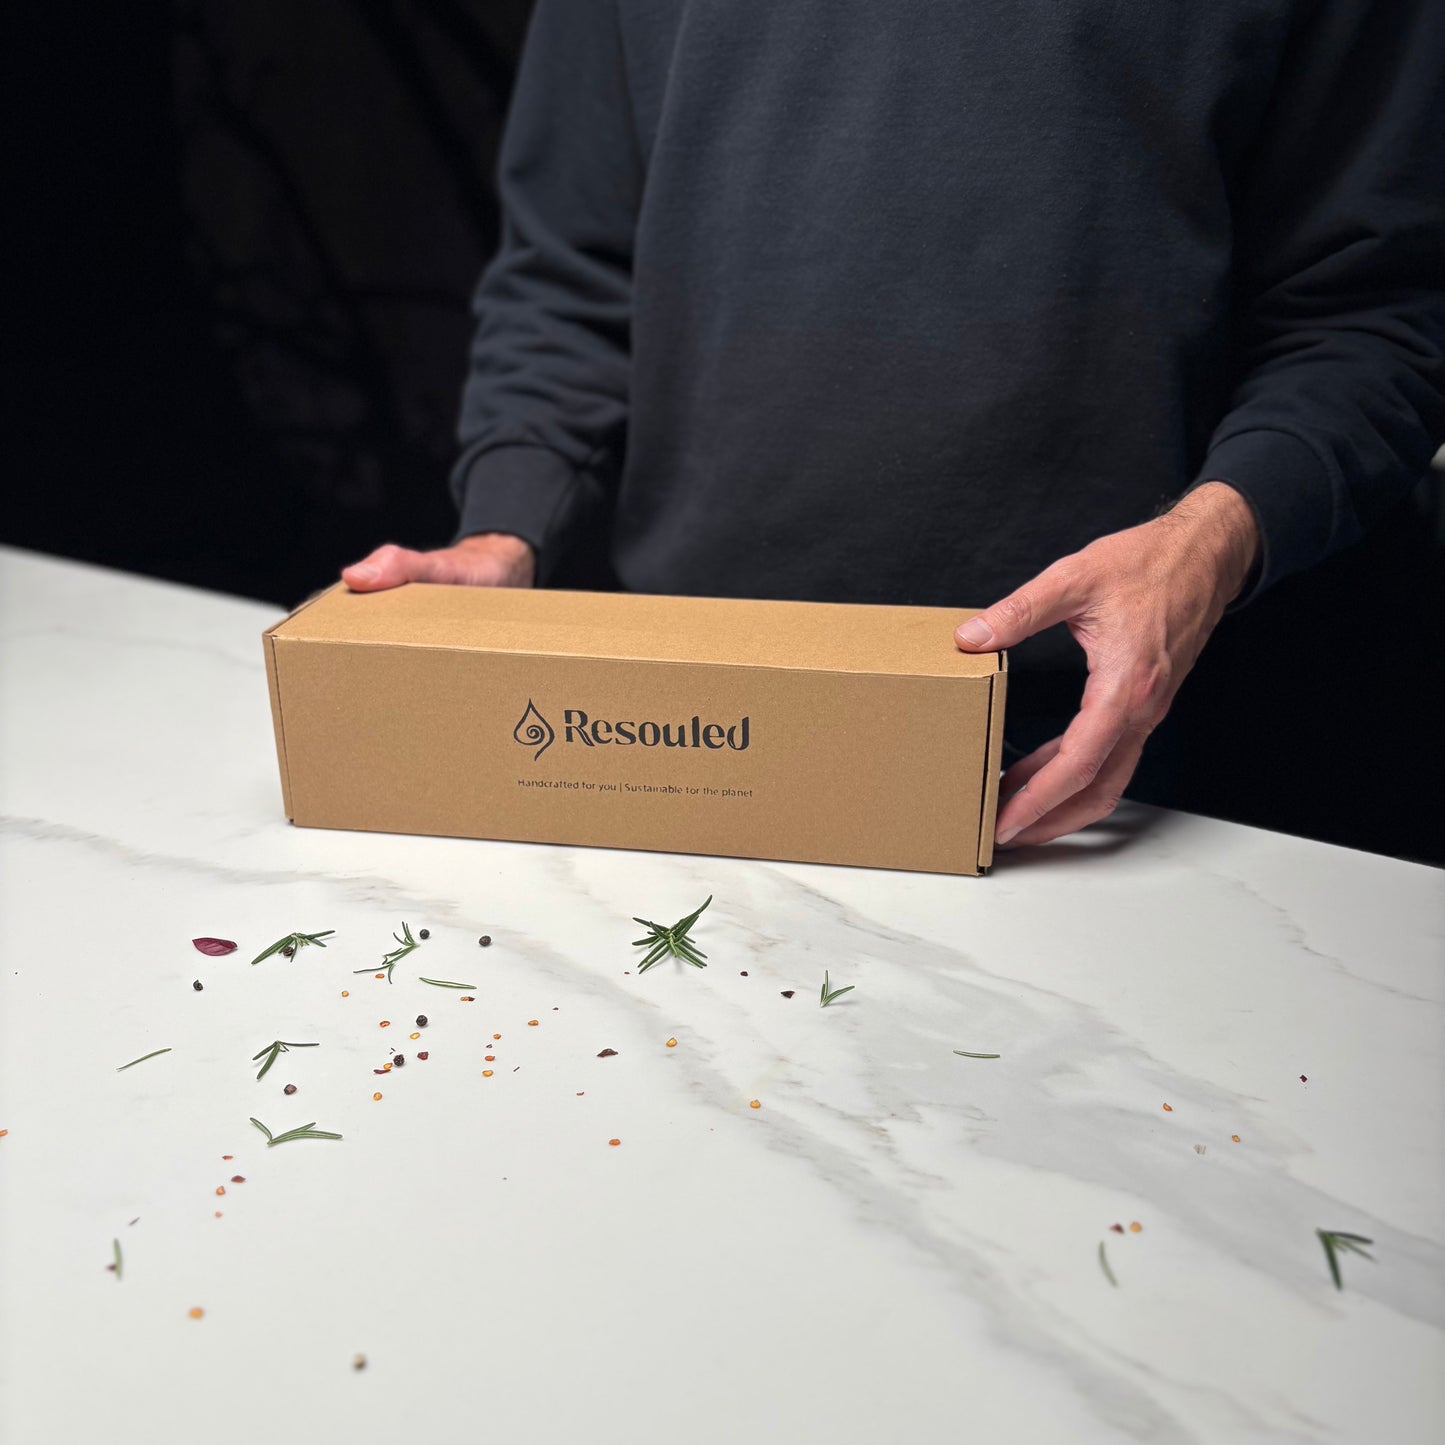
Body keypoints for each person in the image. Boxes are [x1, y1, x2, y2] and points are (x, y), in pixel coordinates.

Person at [342, 0, 1445, 850]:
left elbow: (1374, 312)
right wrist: (509, 523)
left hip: (1113, 752)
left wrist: (1201, 553)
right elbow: (569, 264)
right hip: (675, 718)